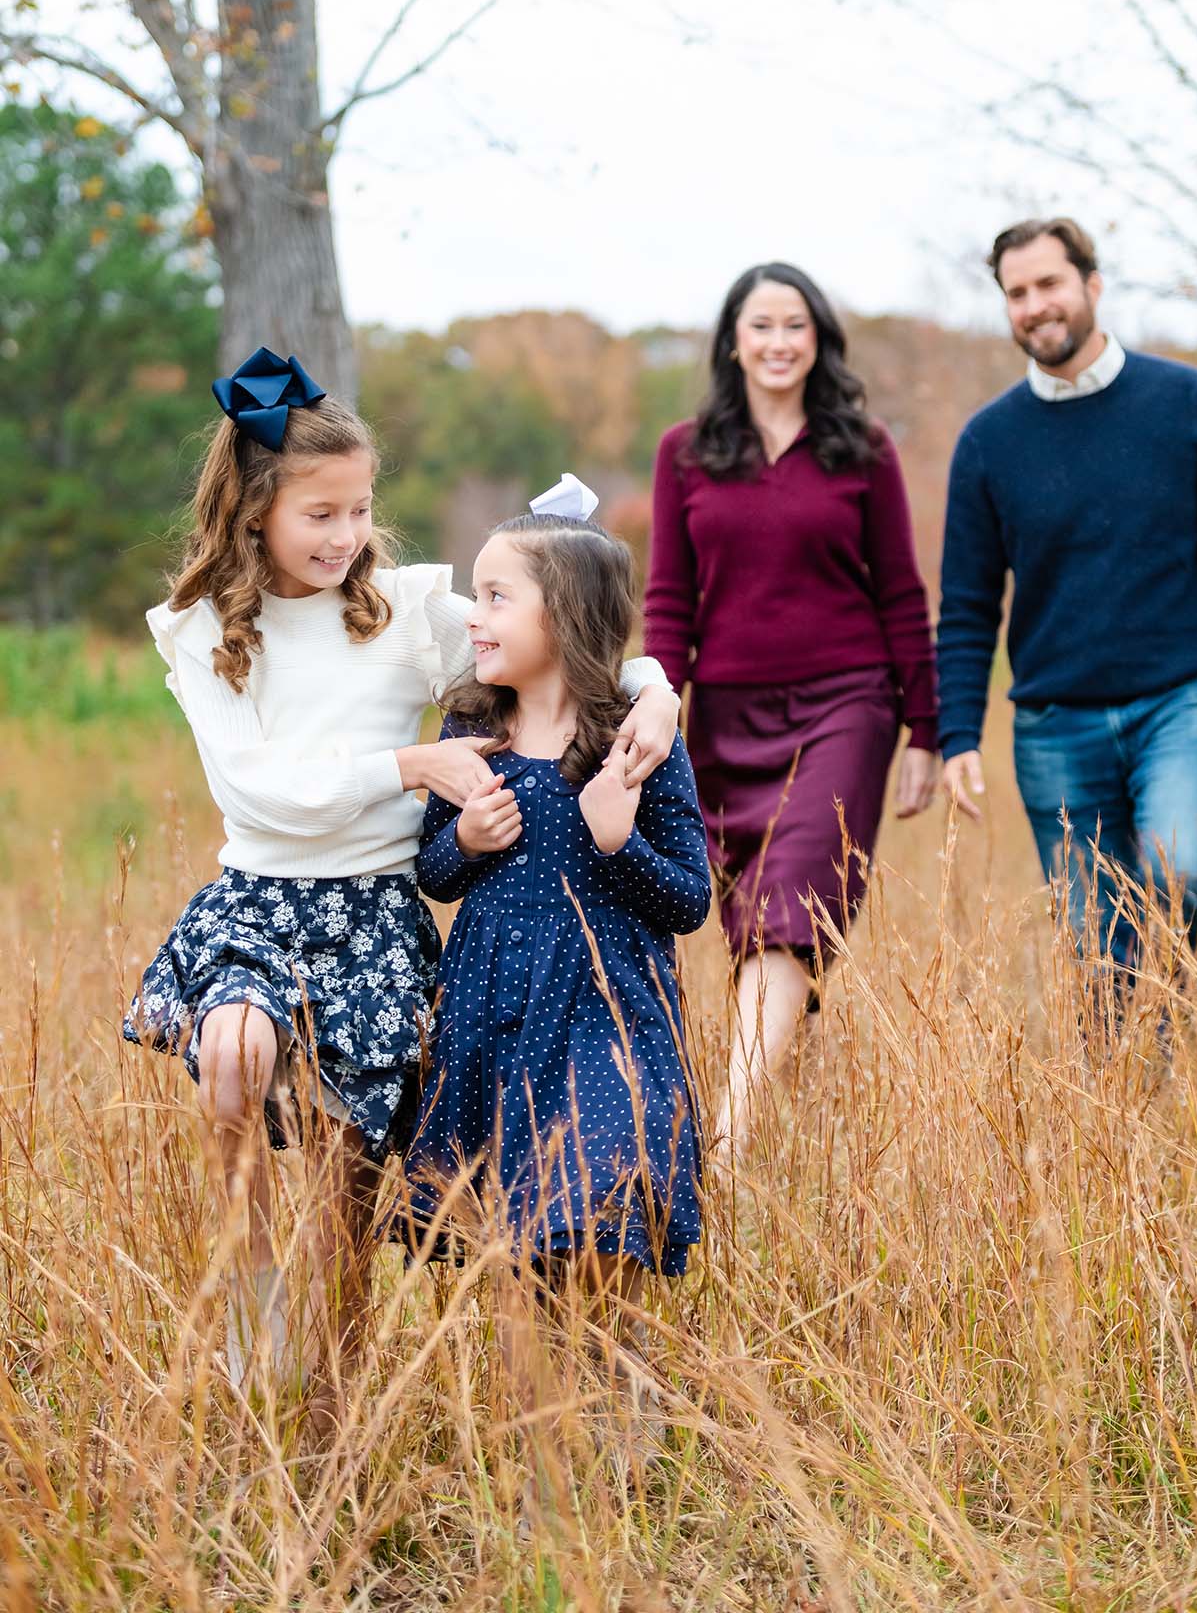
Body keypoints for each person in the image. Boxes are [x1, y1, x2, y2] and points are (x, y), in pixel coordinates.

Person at [122, 348, 679, 1399]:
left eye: (360, 510)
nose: (345, 536)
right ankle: (249, 1281)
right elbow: (256, 791)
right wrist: (411, 765)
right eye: (319, 514)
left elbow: (554, 642)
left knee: (349, 1179)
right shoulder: (205, 632)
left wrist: (655, 691)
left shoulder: (400, 610)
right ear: (254, 512)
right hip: (259, 902)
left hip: (375, 917)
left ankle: (329, 1372)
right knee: (232, 1051)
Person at [938, 217, 1197, 1014]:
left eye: (1049, 283)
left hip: (1183, 697)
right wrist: (958, 733)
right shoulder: (988, 441)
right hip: (1055, 723)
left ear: (1092, 284)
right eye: (1017, 292)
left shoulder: (1186, 401)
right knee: (1096, 949)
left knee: (1178, 870)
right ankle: (1131, 1080)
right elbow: (968, 607)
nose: (1035, 305)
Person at [643, 262, 938, 1156]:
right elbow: (670, 599)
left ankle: (726, 1145)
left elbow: (900, 592)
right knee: (758, 925)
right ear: (733, 341)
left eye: (796, 325)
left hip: (847, 705)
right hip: (726, 724)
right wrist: (657, 705)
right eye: (762, 325)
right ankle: (790, 1124)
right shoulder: (685, 453)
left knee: (795, 901)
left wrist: (926, 729)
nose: (779, 342)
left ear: (820, 341)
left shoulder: (864, 449)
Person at [399, 490, 711, 1322]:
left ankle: (611, 1386)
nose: (474, 616)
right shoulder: (469, 726)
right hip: (495, 1008)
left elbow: (690, 900)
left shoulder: (636, 738)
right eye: (476, 595)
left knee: (605, 1193)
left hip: (609, 1005)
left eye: (497, 597)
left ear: (564, 612)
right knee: (516, 1239)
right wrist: (466, 840)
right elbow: (435, 875)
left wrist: (620, 841)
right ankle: (536, 1398)